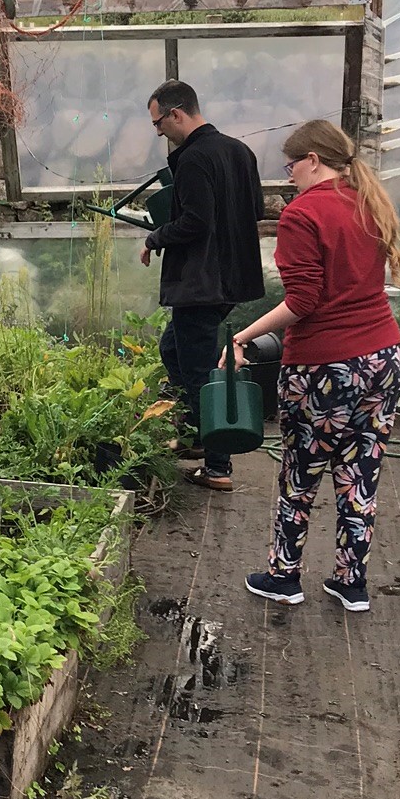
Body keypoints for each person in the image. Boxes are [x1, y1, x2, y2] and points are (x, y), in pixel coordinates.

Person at [232, 119, 400, 613]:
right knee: (359, 473)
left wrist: (243, 336)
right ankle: (351, 584)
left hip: (325, 367)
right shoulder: (367, 200)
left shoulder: (303, 215)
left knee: (300, 472)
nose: (289, 177)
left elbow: (303, 301)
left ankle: (284, 577)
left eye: (291, 165)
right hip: (383, 359)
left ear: (312, 160)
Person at [141, 79, 265, 490]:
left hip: (200, 281)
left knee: (197, 370)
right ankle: (199, 434)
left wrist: (154, 237)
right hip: (232, 277)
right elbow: (257, 208)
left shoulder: (194, 158)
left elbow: (196, 221)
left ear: (177, 114)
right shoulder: (239, 151)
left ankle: (217, 465)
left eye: (159, 123)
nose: (159, 132)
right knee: (172, 348)